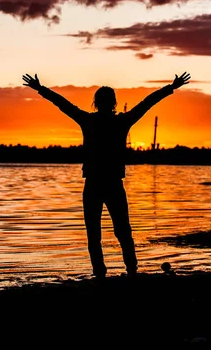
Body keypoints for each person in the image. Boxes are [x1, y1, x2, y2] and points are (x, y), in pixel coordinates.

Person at [22, 71, 191, 278]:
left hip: (95, 184)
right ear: (113, 103)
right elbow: (148, 103)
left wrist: (41, 89)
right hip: (111, 184)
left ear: (96, 103)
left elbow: (62, 104)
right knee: (122, 231)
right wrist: (171, 87)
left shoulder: (89, 120)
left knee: (95, 233)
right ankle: (130, 270)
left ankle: (101, 273)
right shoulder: (121, 121)